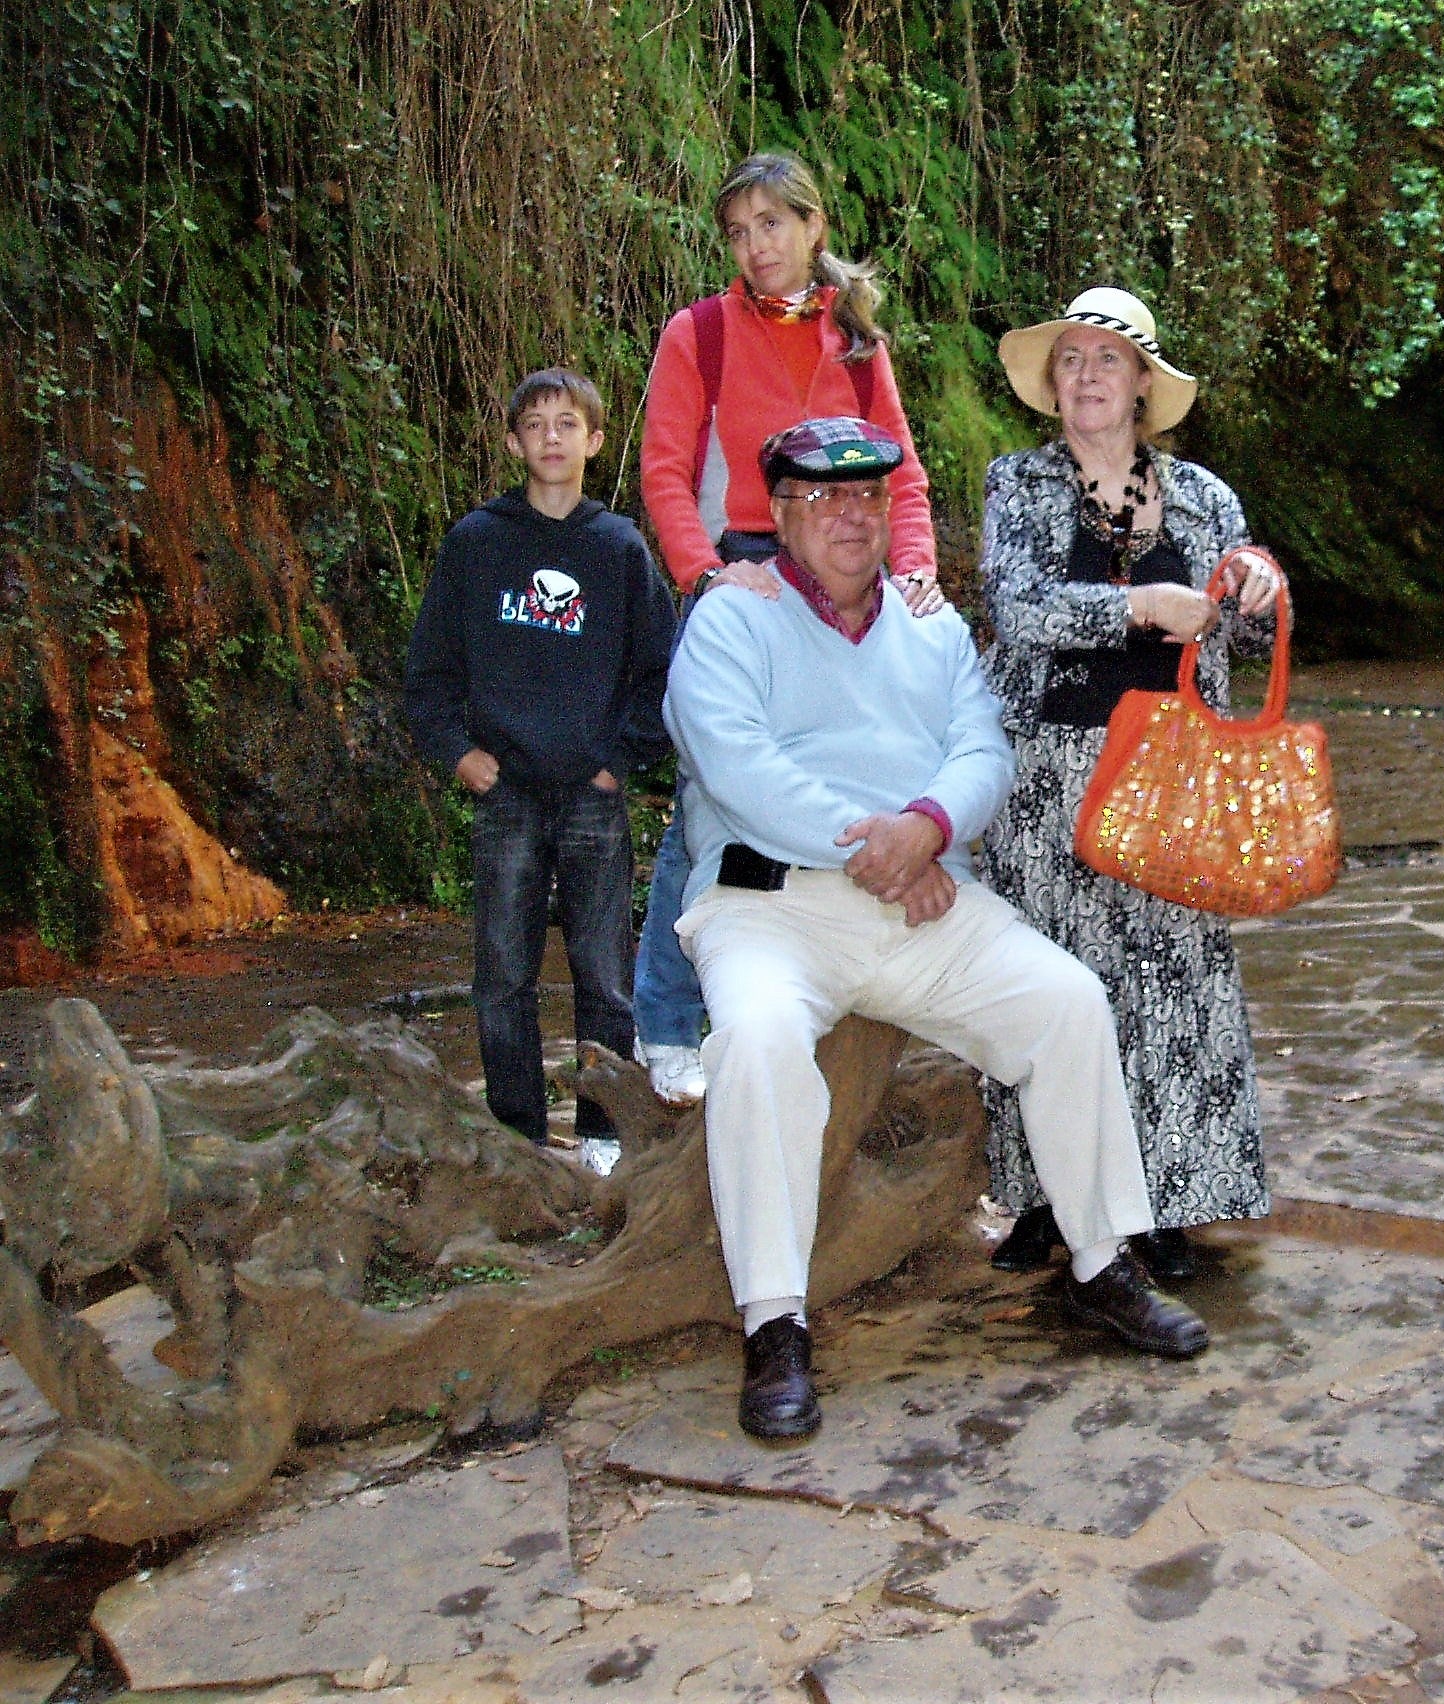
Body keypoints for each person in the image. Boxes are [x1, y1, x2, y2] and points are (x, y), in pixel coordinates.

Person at [665, 416, 1212, 1442]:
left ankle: (1099, 1260)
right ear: (779, 512)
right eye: (824, 497)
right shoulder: (733, 619)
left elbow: (980, 751)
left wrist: (925, 831)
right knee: (756, 1040)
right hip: (773, 905)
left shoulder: (931, 624)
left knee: (1066, 1003)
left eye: (867, 497)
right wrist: (870, 844)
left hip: (925, 894)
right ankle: (774, 1321)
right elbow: (733, 759)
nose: (848, 515)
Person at [976, 287, 1284, 1282]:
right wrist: (1137, 606)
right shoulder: (1015, 484)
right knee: (1048, 988)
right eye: (1069, 361)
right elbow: (1019, 612)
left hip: (1169, 765)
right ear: (1051, 386)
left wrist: (1258, 598)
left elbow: (1239, 637)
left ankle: (1162, 1205)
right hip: (1047, 773)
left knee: (1170, 991)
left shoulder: (1206, 500)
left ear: (1143, 382)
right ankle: (1043, 1202)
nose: (1086, 377)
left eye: (1106, 360)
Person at [634, 151, 943, 1111]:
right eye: (739, 230)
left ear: (814, 227)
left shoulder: (856, 343)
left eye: (773, 223)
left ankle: (839, 1005)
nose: (757, 246)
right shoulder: (701, 334)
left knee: (859, 772)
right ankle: (667, 1023)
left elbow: (900, 474)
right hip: (753, 569)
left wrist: (917, 567)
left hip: (850, 566)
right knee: (712, 797)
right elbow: (663, 471)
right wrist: (706, 571)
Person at [405, 367, 676, 1149]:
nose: (551, 438)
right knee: (502, 976)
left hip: (591, 791)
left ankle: (601, 1135)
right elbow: (429, 668)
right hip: (506, 794)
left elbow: (661, 668)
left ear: (594, 440)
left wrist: (618, 758)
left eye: (567, 425)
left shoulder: (618, 548)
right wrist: (458, 753)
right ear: (514, 438)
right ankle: (516, 1135)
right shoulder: (477, 543)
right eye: (536, 424)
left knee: (603, 977)